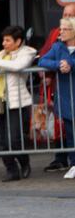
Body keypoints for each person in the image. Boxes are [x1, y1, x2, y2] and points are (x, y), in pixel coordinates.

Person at [0, 25, 36, 182]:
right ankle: (11, 170)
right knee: (1, 140)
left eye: (7, 40)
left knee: (14, 139)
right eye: (3, 40)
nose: (4, 43)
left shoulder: (27, 52)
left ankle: (24, 163)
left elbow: (18, 67)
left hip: (16, 101)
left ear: (18, 41)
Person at [38, 16, 75, 178]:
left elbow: (71, 63)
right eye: (61, 29)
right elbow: (42, 61)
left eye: (65, 29)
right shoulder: (58, 46)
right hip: (66, 97)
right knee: (71, 132)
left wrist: (71, 64)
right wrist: (59, 65)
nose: (61, 32)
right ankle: (74, 164)